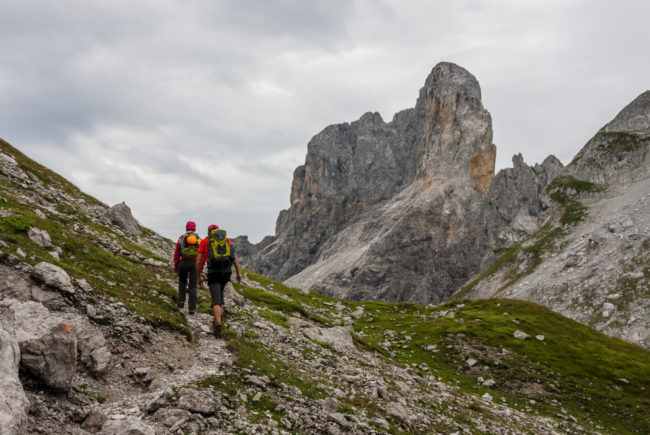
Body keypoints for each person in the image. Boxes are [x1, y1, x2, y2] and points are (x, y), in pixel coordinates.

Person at [196, 224, 242, 337]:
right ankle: (218, 320)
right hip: (226, 272)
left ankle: (217, 324)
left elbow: (198, 262)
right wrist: (238, 273)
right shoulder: (226, 240)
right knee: (220, 295)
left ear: (209, 232)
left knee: (215, 298)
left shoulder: (205, 242)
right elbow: (234, 257)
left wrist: (198, 276)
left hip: (213, 272)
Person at [173, 221, 200, 315]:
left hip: (183, 262)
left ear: (186, 228)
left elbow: (177, 253)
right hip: (194, 263)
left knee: (182, 282)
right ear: (195, 228)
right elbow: (201, 253)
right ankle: (192, 308)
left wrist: (176, 265)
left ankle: (181, 302)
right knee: (193, 286)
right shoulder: (198, 238)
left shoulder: (181, 238)